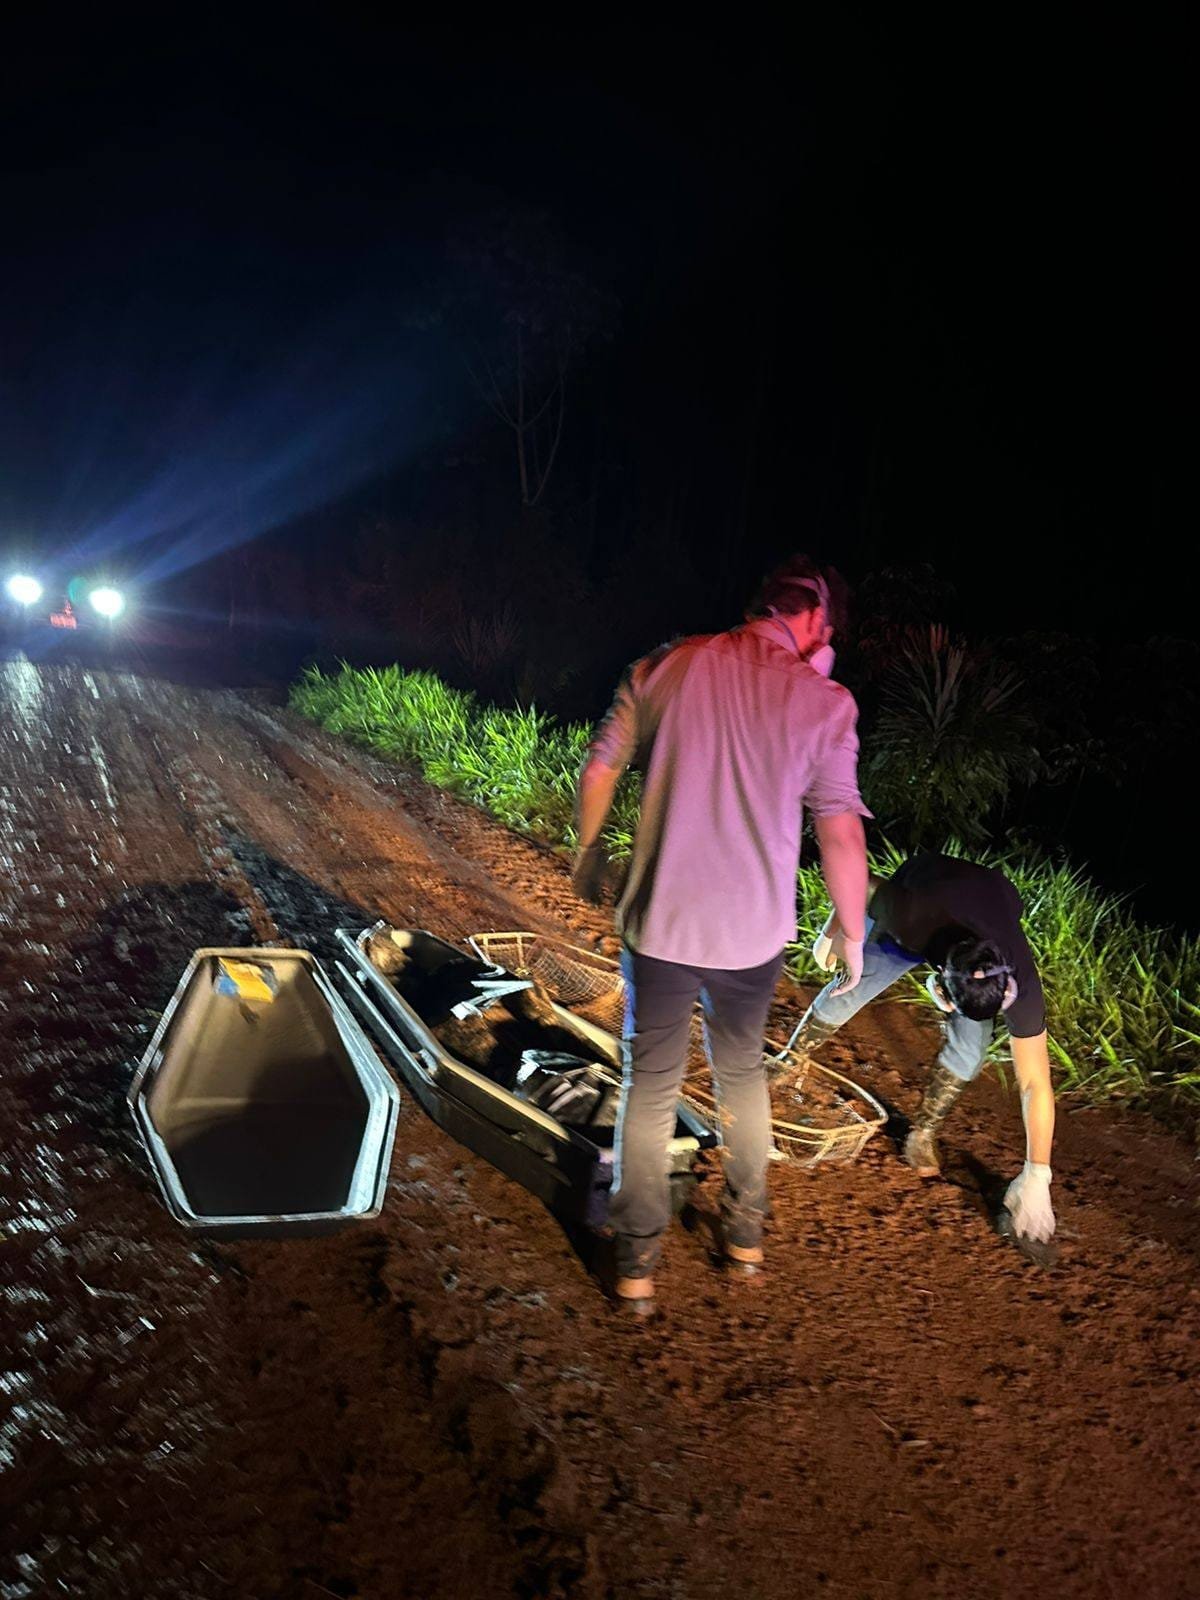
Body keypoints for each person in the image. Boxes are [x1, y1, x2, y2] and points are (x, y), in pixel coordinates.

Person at [572, 556, 870, 1312]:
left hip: (663, 924)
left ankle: (636, 1266)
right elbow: (839, 832)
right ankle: (743, 1237)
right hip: (752, 937)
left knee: (651, 1085)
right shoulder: (826, 703)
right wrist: (854, 932)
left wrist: (589, 851)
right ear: (811, 620)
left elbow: (600, 765)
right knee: (741, 1078)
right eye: (826, 627)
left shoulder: (667, 665)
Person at [788, 853, 1057, 1243]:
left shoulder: (1020, 983)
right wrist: (834, 934)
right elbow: (858, 881)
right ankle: (789, 1060)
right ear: (943, 986)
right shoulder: (911, 917)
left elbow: (1035, 1081)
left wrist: (1038, 1174)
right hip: (926, 881)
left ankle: (922, 1134)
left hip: (988, 902)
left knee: (971, 1049)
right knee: (852, 982)